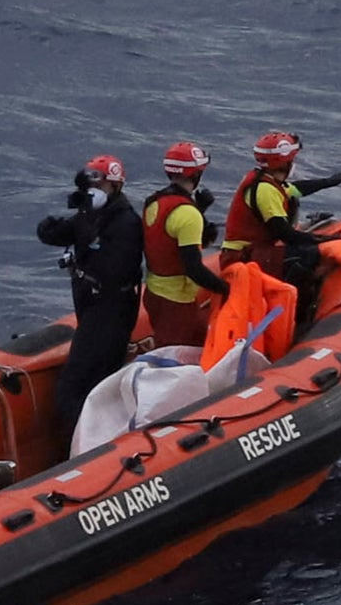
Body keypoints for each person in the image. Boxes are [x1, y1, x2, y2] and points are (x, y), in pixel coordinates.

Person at [37, 155, 145, 449]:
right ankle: (95, 440)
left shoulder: (125, 223)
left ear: (116, 185)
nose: (96, 188)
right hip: (92, 305)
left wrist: (90, 238)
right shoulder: (92, 215)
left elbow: (115, 270)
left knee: (73, 385)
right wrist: (77, 214)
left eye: (102, 182)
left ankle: (82, 448)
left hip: (110, 309)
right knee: (94, 377)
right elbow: (49, 234)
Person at [223, 130, 341, 281]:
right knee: (309, 254)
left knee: (304, 246)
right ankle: (292, 296)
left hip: (251, 251)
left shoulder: (265, 180)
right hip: (242, 256)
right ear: (284, 162)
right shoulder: (265, 190)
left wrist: (328, 182)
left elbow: (296, 190)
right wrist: (324, 239)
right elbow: (285, 234)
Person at [140, 141, 231, 350]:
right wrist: (225, 289)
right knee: (175, 357)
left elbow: (165, 238)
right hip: (176, 302)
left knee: (194, 340)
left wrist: (199, 209)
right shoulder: (188, 214)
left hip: (154, 294)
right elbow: (194, 268)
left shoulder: (153, 202)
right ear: (196, 174)